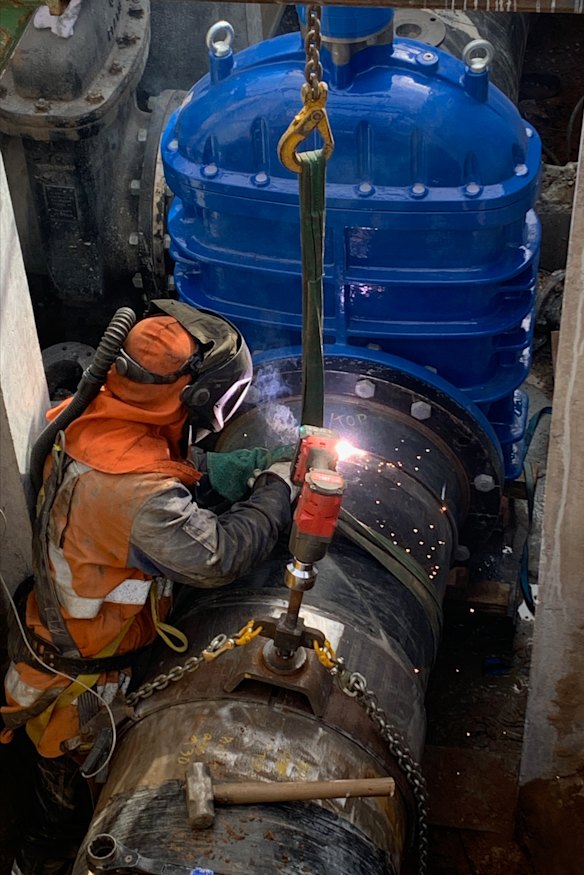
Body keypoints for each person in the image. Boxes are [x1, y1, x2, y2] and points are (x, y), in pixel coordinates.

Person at [1, 300, 296, 875]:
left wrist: (220, 470)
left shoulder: (82, 413)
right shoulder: (136, 498)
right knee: (70, 812)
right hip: (84, 679)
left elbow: (152, 461)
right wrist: (275, 491)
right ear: (191, 399)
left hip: (74, 635)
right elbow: (218, 557)